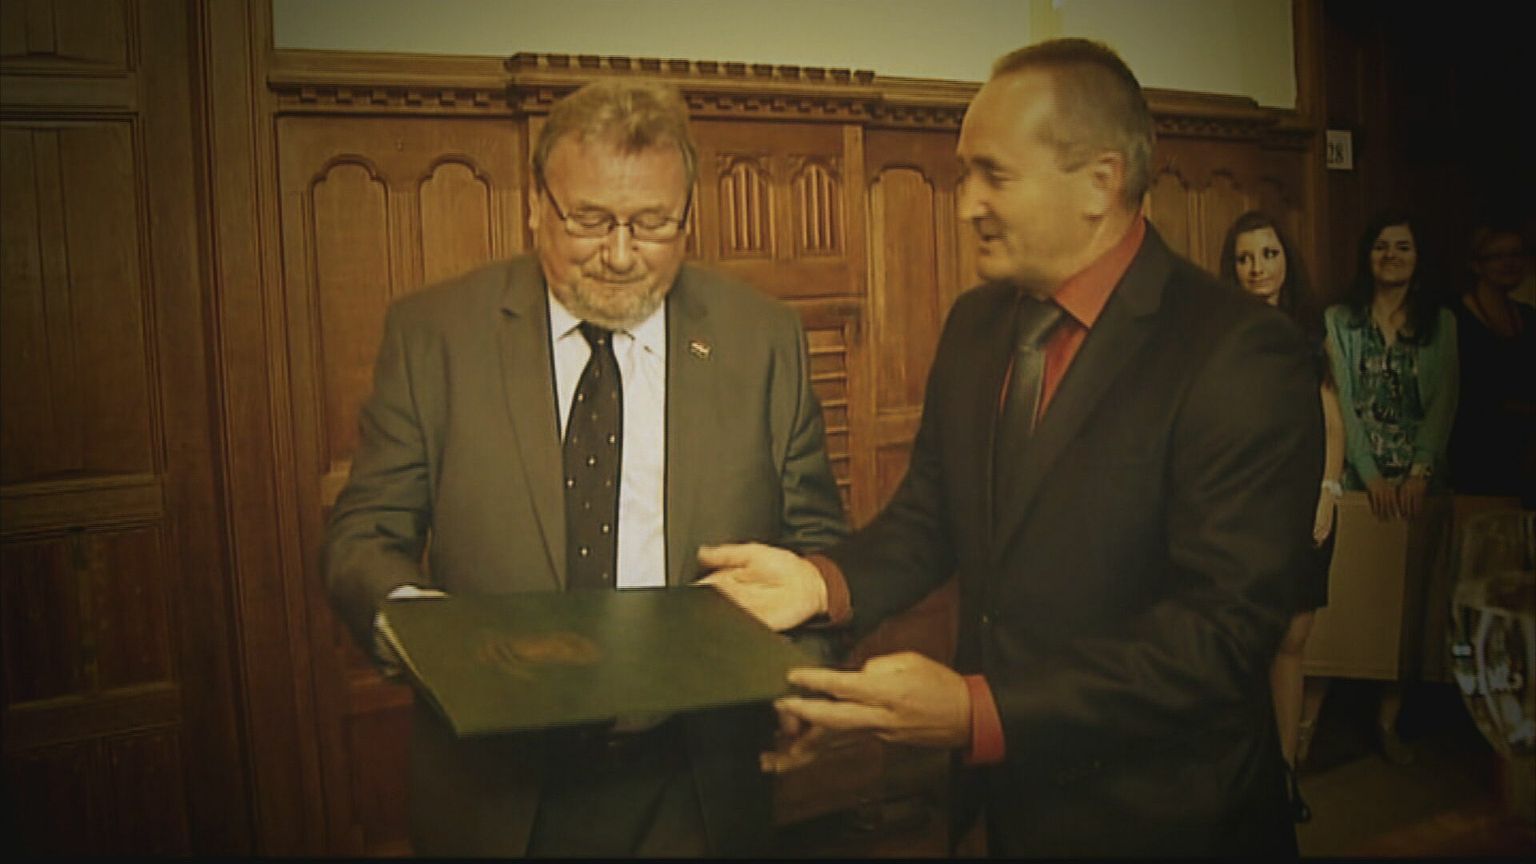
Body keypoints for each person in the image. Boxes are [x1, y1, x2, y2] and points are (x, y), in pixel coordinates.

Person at [701, 39, 1321, 857]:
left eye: (993, 175)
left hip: (1165, 822)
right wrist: (821, 582)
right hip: (997, 814)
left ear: (1099, 182)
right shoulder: (976, 325)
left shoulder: (1236, 353)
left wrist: (978, 711)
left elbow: (1219, 636)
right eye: (965, 175)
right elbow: (931, 517)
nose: (966, 204)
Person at [322, 79, 847, 857]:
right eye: (591, 220)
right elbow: (362, 538)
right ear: (537, 205)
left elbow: (817, 543)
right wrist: (433, 638)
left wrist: (803, 676)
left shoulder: (762, 339)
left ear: (689, 216)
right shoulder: (435, 335)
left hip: (698, 782)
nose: (621, 254)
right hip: (495, 787)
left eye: (653, 223)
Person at [1219, 211, 1346, 820]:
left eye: (1268, 254)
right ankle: (1247, 774)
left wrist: (1328, 491)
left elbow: (1332, 420)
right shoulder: (1223, 332)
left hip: (1307, 501)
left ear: (1285, 259)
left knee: (1293, 639)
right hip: (1251, 505)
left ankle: (1286, 775)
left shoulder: (1312, 329)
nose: (1257, 268)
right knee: (1249, 641)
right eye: (1245, 258)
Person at [1323, 211, 1459, 763]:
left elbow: (1445, 401)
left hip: (1418, 483)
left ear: (1418, 257)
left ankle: (1389, 721)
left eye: (1403, 246)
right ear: (1367, 256)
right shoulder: (1339, 320)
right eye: (1381, 246)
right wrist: (1370, 474)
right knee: (1349, 597)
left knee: (1409, 603)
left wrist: (1419, 471)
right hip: (1359, 478)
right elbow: (1341, 402)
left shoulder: (1441, 322)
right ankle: (1313, 723)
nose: (1392, 256)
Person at [1448, 221, 1536, 501]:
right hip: (1471, 448)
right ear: (1476, 265)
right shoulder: (1454, 317)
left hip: (1523, 452)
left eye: (1517, 254)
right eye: (1498, 256)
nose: (1510, 263)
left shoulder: (1529, 317)